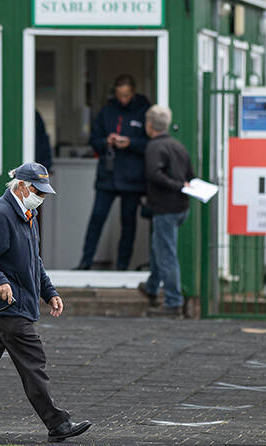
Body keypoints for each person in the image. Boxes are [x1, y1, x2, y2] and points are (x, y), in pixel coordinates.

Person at [0, 162, 92, 442]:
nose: (42, 197)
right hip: (10, 307)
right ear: (21, 186)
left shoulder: (28, 213)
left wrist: (50, 292)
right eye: (38, 190)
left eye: (45, 192)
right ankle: (57, 423)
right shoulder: (1, 214)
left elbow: (33, 261)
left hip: (12, 306)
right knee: (33, 362)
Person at [75, 74, 151, 270]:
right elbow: (94, 140)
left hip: (132, 178)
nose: (122, 99)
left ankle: (122, 267)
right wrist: (105, 141)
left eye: (126, 95)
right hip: (107, 176)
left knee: (128, 224)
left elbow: (150, 144)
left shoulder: (144, 111)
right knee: (96, 219)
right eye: (119, 95)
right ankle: (85, 263)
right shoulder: (107, 111)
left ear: (133, 92)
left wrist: (130, 143)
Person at [138, 105, 194, 316]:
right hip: (181, 207)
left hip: (165, 208)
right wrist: (183, 185)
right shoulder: (178, 146)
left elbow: (154, 174)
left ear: (149, 125)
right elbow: (191, 174)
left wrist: (175, 185)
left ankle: (173, 303)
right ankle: (152, 287)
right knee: (158, 248)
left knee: (166, 254)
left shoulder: (154, 147)